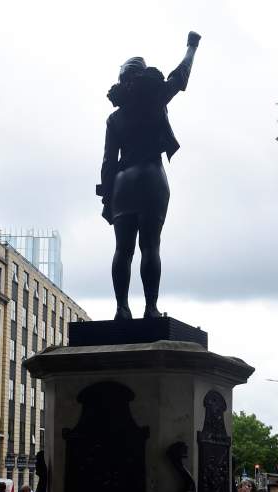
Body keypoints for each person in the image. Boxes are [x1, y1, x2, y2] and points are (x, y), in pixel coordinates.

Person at [98, 32, 200, 320]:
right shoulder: (157, 99)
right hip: (152, 178)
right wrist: (191, 47)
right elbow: (181, 76)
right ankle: (151, 308)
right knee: (150, 246)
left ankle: (121, 309)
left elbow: (108, 162)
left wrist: (107, 197)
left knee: (123, 249)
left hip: (123, 185)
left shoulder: (115, 119)